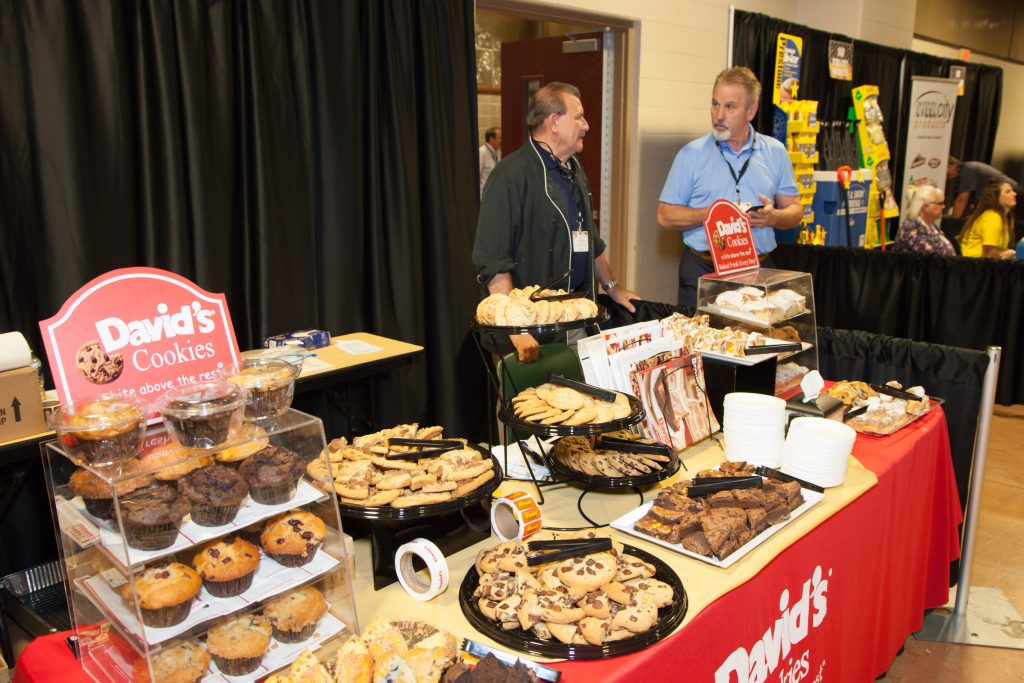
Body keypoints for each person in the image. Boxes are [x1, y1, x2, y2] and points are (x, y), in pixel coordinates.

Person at [473, 82, 640, 363]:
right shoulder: (509, 176)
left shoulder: (573, 169)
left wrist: (612, 287)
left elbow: (590, 239)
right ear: (553, 122)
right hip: (529, 332)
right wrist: (516, 327)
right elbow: (493, 262)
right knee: (532, 406)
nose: (586, 125)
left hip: (575, 321)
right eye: (579, 117)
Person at [657, 66, 802, 310]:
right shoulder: (691, 155)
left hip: (758, 270)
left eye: (729, 107)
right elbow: (664, 216)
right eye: (715, 104)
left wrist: (773, 217)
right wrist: (715, 214)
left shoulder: (775, 152)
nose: (718, 115)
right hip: (703, 270)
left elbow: (795, 211)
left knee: (756, 344)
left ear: (751, 110)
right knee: (701, 345)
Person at [958, 181, 1017, 259]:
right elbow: (990, 254)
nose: (1014, 194)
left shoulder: (1006, 218)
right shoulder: (992, 217)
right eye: (1008, 192)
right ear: (997, 198)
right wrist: (1013, 254)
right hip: (973, 266)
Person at [947, 157, 1020, 218]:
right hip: (1001, 200)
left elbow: (962, 199)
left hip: (1012, 195)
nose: (946, 175)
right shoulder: (966, 169)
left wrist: (953, 222)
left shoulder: (967, 169)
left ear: (950, 166)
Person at [894, 185, 955, 256]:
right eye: (940, 203)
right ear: (925, 206)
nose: (943, 206)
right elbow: (930, 256)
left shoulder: (931, 225)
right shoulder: (911, 227)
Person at [479, 127, 501, 197]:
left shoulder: (497, 153)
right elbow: (477, 176)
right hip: (484, 196)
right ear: (491, 139)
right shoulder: (481, 152)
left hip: (494, 195)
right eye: (500, 138)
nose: (502, 140)